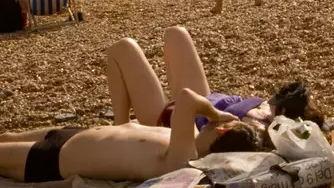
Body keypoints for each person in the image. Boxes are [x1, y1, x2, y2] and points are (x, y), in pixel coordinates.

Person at [0, 87, 258, 182]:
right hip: (74, 135)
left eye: (218, 129)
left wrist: (215, 112)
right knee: (3, 138)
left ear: (221, 137)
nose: (213, 125)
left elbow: (189, 99)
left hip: (57, 162)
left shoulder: (185, 158)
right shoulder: (188, 144)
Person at [105, 26, 272, 133]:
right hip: (205, 102)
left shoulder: (262, 128)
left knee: (123, 48)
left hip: (172, 122)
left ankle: (121, 130)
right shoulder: (275, 115)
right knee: (177, 33)